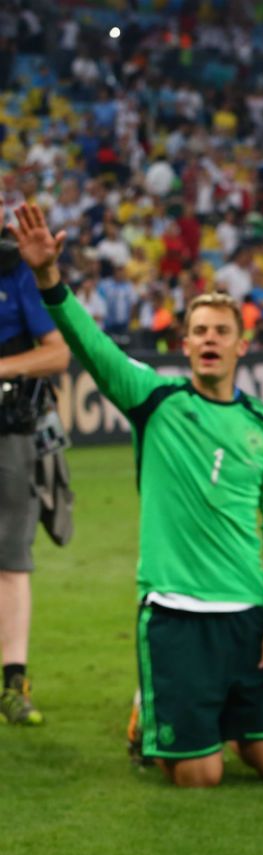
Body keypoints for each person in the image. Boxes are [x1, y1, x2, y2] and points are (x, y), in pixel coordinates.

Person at [10, 203, 263, 787]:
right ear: (185, 345)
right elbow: (89, 344)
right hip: (175, 612)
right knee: (201, 778)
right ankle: (155, 708)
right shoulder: (154, 399)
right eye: (200, 333)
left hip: (246, 614)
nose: (210, 341)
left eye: (222, 332)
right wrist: (47, 277)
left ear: (242, 347)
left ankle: (195, 712)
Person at [0, 216, 72, 726]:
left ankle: (12, 684)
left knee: (10, 559)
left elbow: (57, 352)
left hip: (10, 430)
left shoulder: (15, 268)